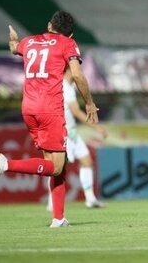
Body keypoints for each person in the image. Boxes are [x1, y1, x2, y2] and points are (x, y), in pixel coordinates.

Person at [0, 11, 99, 227]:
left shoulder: (29, 42)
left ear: (49, 25)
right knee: (55, 167)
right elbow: (76, 74)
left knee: (55, 165)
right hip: (50, 110)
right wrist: (90, 103)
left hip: (29, 109)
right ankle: (5, 165)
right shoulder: (68, 43)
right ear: (70, 34)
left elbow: (14, 48)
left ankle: (58, 218)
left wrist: (13, 40)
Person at [46, 66, 107, 210]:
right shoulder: (64, 86)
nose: (80, 72)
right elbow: (76, 111)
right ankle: (51, 201)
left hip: (71, 132)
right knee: (58, 168)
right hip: (63, 132)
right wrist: (96, 127)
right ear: (68, 70)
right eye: (77, 69)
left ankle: (90, 199)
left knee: (87, 161)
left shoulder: (68, 86)